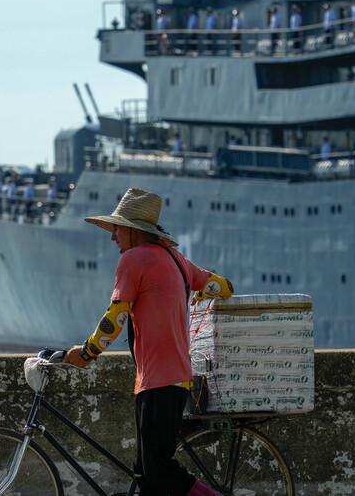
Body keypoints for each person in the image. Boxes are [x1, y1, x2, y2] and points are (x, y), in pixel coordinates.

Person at [65, 188, 233, 496]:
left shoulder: (133, 260)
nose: (112, 235)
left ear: (132, 230)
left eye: (116, 228)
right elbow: (224, 286)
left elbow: (116, 317)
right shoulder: (177, 259)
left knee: (159, 470)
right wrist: (201, 292)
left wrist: (86, 353)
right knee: (146, 478)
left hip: (158, 382)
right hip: (175, 380)